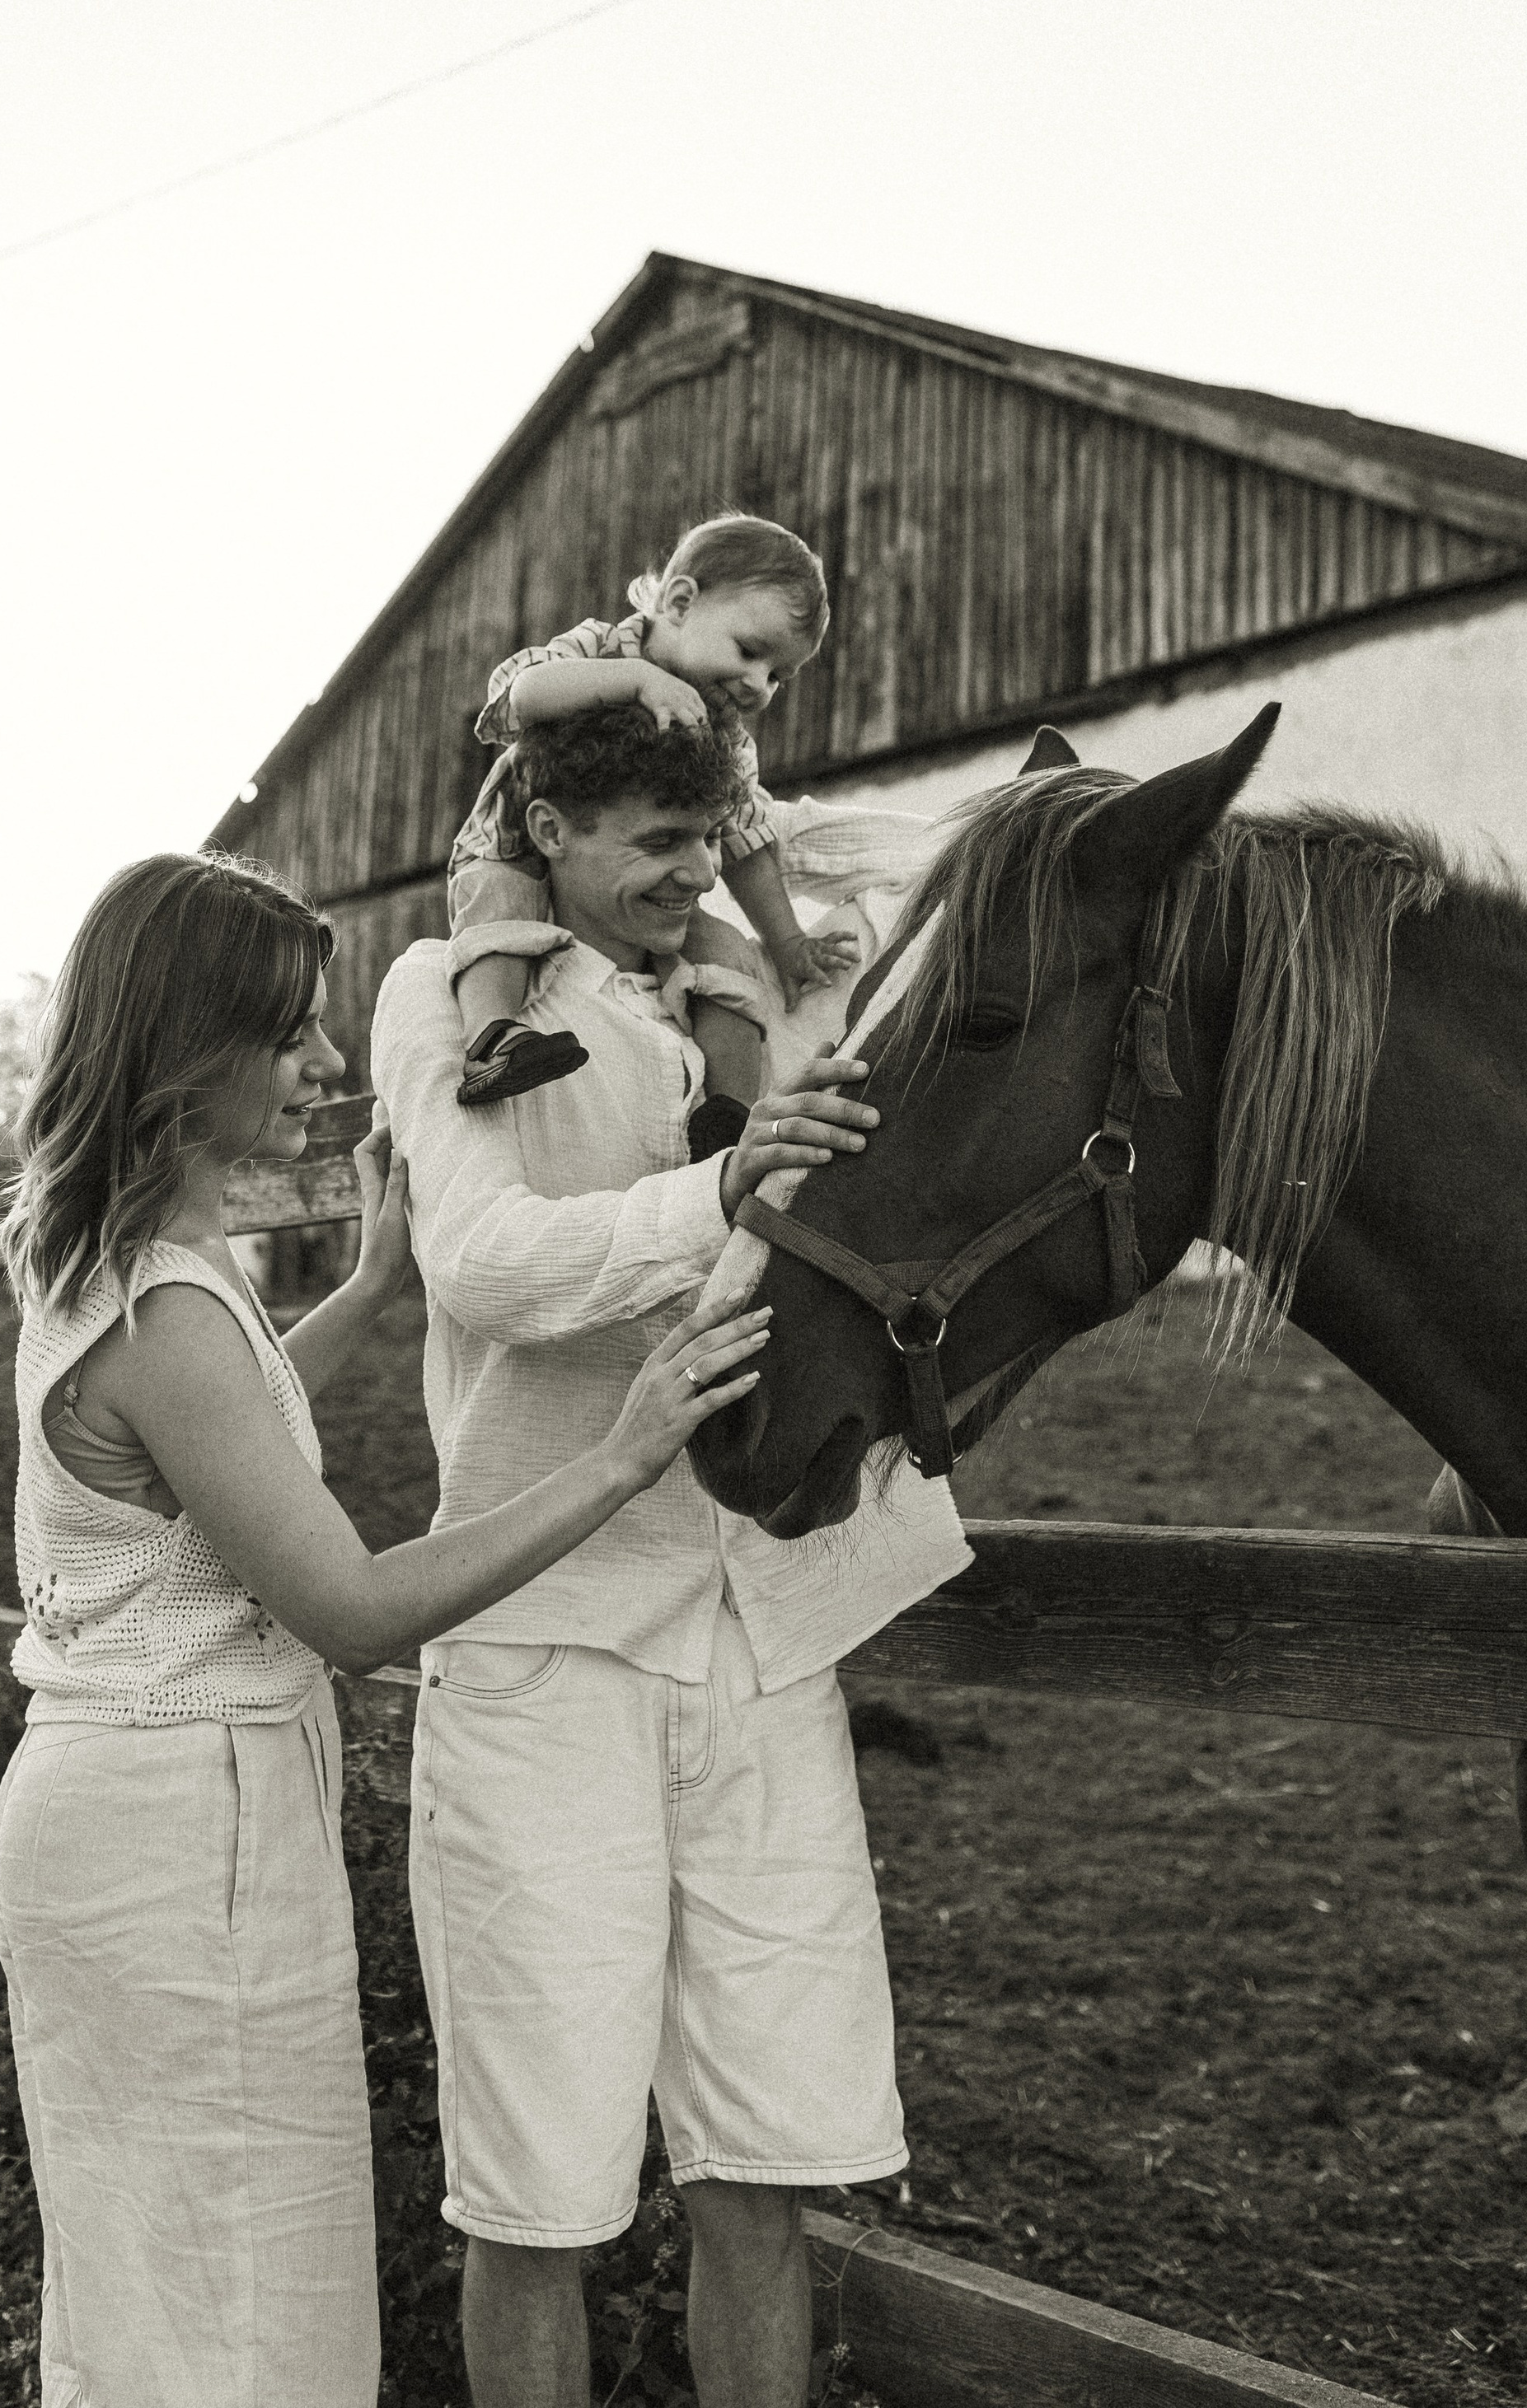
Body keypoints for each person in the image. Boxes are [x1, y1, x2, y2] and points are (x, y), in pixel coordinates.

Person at [0, 848, 776, 2408]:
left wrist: (367, 1284)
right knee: (240, 2303)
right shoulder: (168, 1308)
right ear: (182, 1050)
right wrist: (624, 1452)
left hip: (125, 1805)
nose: (331, 1065)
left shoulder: (109, 1256)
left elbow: (227, 1423)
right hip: (179, 1823)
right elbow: (350, 1608)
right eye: (287, 1034)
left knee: (157, 2278)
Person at [370, 706, 972, 2408]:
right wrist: (723, 1200)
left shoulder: (759, 986)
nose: (689, 871)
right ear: (543, 825)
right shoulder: (449, 990)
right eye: (649, 840)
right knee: (534, 2194)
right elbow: (481, 1265)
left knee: (765, 2163)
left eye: (705, 839)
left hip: (762, 1637)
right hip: (545, 1645)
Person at [450, 512, 855, 1133]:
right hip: (512, 846)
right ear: (681, 600)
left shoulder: (729, 742)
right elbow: (520, 697)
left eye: (778, 675)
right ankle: (491, 1042)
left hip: (642, 888)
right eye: (749, 651)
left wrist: (788, 942)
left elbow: (746, 841)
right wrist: (634, 681)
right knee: (501, 914)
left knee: (726, 956)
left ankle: (727, 1111)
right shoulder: (602, 648)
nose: (759, 685)